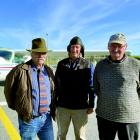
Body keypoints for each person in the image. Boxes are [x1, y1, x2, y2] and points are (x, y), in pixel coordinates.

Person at [4, 38, 55, 140]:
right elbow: (8, 91)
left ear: (46, 54)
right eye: (37, 52)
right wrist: (21, 109)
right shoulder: (19, 70)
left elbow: (52, 91)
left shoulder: (49, 71)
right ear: (32, 53)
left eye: (43, 53)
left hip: (46, 119)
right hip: (29, 120)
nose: (40, 55)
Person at [93, 33, 140, 140]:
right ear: (108, 47)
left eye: (120, 46)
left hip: (130, 118)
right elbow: (96, 87)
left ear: (125, 47)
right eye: (113, 45)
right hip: (105, 116)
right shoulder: (100, 66)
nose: (116, 49)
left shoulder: (137, 65)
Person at [54, 36, 95, 140]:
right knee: (61, 135)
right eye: (72, 47)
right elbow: (56, 85)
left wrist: (91, 105)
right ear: (69, 48)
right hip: (63, 107)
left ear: (81, 49)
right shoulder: (61, 64)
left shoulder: (88, 65)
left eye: (77, 47)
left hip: (80, 108)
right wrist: (54, 104)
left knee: (80, 137)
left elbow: (92, 87)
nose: (74, 49)